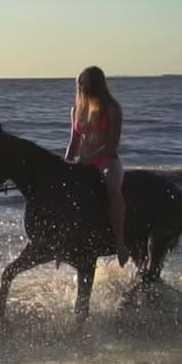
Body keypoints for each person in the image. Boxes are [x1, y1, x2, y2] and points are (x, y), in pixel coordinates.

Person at [65, 66, 127, 265]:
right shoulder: (76, 110)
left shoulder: (111, 108)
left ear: (97, 83)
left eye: (84, 82)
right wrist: (66, 164)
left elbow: (111, 145)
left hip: (106, 162)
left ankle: (120, 242)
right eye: (79, 82)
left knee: (113, 189)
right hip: (83, 163)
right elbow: (74, 142)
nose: (81, 86)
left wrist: (88, 160)